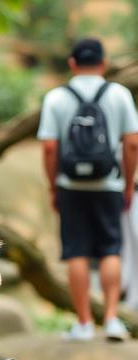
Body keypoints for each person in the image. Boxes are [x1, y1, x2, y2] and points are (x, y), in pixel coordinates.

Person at [37, 37, 138, 341]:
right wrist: (129, 184)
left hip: (71, 186)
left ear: (72, 64)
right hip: (109, 183)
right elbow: (132, 143)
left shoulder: (56, 97)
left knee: (76, 251)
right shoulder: (118, 94)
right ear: (103, 64)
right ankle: (110, 320)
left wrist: (54, 186)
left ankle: (83, 323)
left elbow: (50, 148)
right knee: (110, 249)